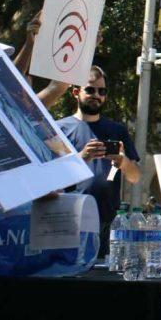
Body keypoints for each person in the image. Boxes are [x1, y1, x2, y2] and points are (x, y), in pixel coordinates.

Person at [56, 67, 141, 255]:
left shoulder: (117, 130)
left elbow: (135, 177)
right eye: (90, 90)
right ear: (75, 92)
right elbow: (52, 178)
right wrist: (83, 156)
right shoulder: (59, 129)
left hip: (108, 223)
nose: (97, 95)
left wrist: (123, 161)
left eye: (102, 91)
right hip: (70, 222)